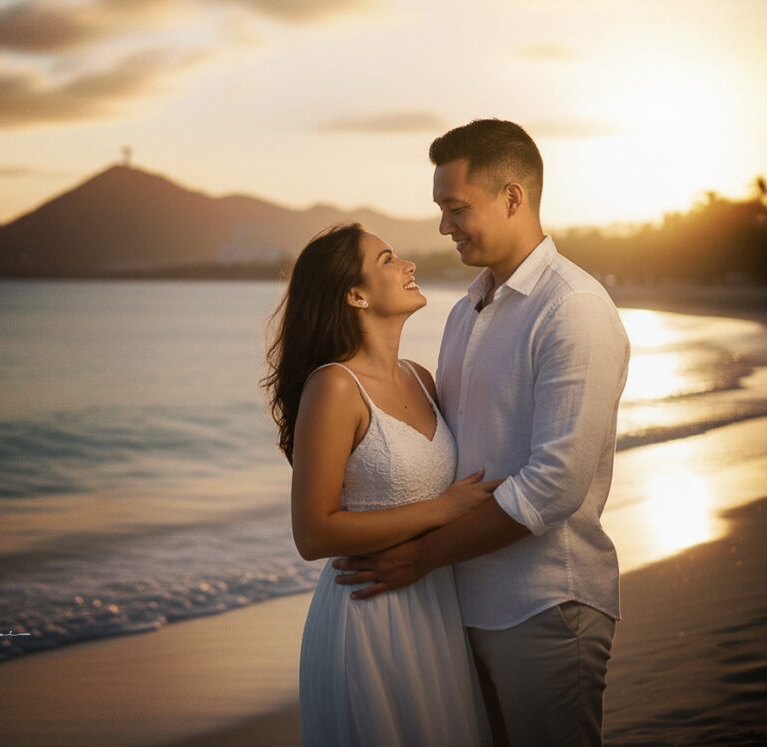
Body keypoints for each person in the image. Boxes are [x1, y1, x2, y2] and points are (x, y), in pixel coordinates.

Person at [332, 119, 631, 746]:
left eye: (456, 207)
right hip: (459, 606)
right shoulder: (469, 308)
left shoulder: (571, 306)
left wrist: (422, 555)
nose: (444, 226)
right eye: (441, 209)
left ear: (513, 197)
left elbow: (555, 484)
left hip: (545, 603)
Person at [263, 223, 499, 746]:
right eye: (389, 259)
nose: (408, 265)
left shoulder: (421, 377)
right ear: (355, 294)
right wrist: (443, 509)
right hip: (370, 616)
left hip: (436, 607)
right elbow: (314, 535)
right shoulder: (333, 387)